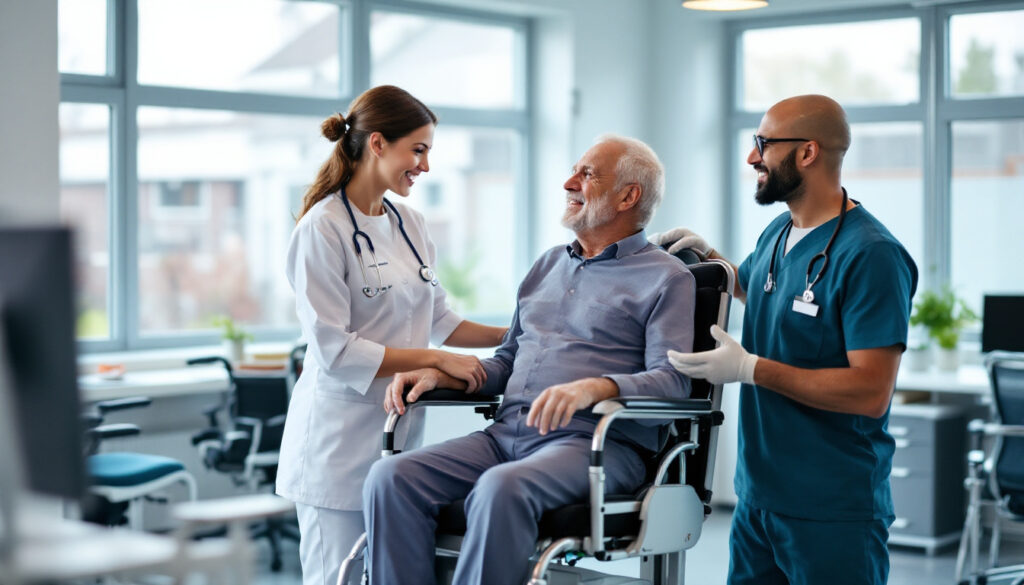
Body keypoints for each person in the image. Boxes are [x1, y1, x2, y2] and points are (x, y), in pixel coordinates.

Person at [361, 135, 696, 585]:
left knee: (500, 490)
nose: (568, 182)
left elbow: (674, 380)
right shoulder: (546, 265)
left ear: (628, 196)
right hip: (506, 435)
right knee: (390, 478)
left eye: (587, 174)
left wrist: (600, 387)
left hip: (594, 446)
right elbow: (508, 361)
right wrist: (446, 372)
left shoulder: (666, 278)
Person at [657, 95, 918, 585]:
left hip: (831, 509)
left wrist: (750, 369)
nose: (753, 157)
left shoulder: (872, 255)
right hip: (758, 500)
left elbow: (870, 391)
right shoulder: (780, 231)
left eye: (763, 144)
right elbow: (759, 287)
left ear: (807, 153)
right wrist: (710, 257)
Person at [277, 85, 508, 585]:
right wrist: (434, 359)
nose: (424, 166)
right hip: (335, 446)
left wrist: (519, 332)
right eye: (418, 150)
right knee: (337, 577)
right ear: (378, 144)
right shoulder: (323, 228)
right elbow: (334, 350)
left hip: (398, 441)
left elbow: (443, 318)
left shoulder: (411, 223)